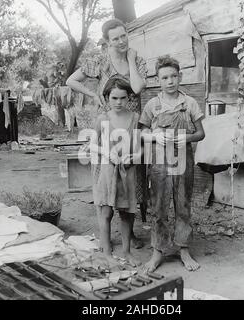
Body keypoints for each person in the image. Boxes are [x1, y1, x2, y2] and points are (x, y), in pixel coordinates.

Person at [66, 18, 147, 249]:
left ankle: (128, 235)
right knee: (106, 178)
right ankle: (106, 236)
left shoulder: (138, 61)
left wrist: (129, 59)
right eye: (115, 38)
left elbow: (138, 88)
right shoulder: (100, 61)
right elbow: (71, 80)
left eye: (124, 36)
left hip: (131, 127)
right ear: (106, 41)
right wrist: (92, 95)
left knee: (131, 181)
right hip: (106, 126)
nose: (121, 41)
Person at [139, 55, 205, 272]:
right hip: (159, 165)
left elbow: (201, 133)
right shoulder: (153, 105)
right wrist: (154, 135)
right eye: (165, 77)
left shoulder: (190, 104)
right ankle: (158, 251)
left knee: (183, 206)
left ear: (180, 77)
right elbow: (141, 132)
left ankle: (183, 249)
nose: (170, 81)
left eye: (174, 76)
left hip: (184, 163)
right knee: (159, 208)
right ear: (158, 80)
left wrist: (186, 137)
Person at [89, 77, 142, 267]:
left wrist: (133, 157)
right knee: (106, 212)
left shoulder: (135, 118)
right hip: (107, 170)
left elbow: (139, 148)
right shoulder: (102, 119)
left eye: (122, 98)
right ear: (107, 97)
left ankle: (127, 252)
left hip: (127, 171)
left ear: (129, 98)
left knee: (127, 212)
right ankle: (107, 253)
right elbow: (92, 146)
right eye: (114, 98)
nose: (118, 102)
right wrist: (107, 152)